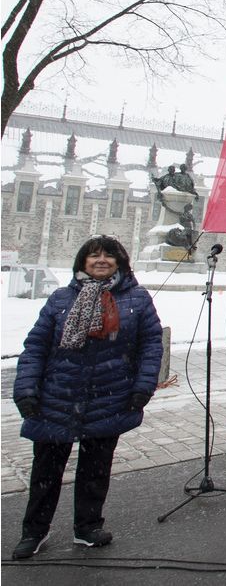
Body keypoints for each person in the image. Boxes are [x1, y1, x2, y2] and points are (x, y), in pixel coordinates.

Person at [11, 236, 163, 559]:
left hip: (109, 396)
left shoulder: (136, 299)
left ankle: (88, 526)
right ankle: (34, 531)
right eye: (93, 255)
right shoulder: (60, 298)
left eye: (109, 256)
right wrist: (26, 389)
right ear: (82, 262)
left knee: (96, 469)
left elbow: (151, 346)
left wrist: (142, 387)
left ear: (120, 262)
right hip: (58, 396)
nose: (101, 260)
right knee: (45, 472)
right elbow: (36, 346)